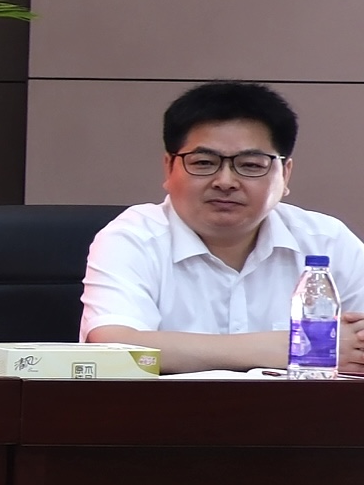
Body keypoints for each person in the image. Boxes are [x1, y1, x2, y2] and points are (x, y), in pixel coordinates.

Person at [82, 80, 364, 373]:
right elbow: (114, 349)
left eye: (251, 165)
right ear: (168, 168)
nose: (225, 182)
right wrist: (296, 347)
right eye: (204, 163)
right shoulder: (132, 239)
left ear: (285, 175)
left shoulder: (327, 241)